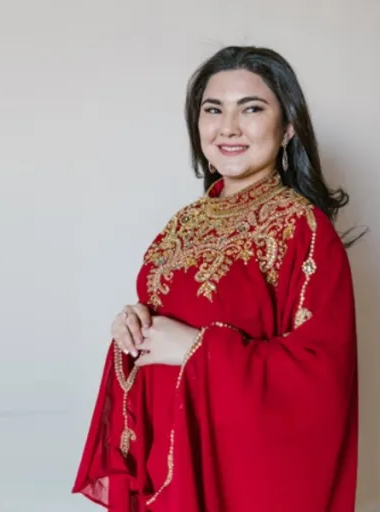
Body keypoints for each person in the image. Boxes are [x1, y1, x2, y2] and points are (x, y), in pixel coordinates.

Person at [72, 45, 360, 512]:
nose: (228, 127)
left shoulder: (303, 231)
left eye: (251, 109)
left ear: (288, 126)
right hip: (167, 470)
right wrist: (133, 326)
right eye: (213, 110)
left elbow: (322, 380)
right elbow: (167, 322)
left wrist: (195, 349)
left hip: (237, 482)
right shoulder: (182, 225)